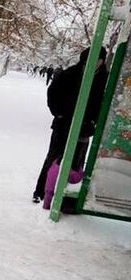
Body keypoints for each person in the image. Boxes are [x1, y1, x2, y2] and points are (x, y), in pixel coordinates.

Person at [32, 47, 108, 203]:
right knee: (54, 158)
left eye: (99, 60)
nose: (95, 63)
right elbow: (52, 93)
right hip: (63, 125)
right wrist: (59, 113)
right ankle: (41, 192)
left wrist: (94, 121)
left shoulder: (105, 79)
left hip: (85, 128)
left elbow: (104, 103)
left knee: (77, 162)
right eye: (91, 60)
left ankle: (68, 197)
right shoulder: (70, 74)